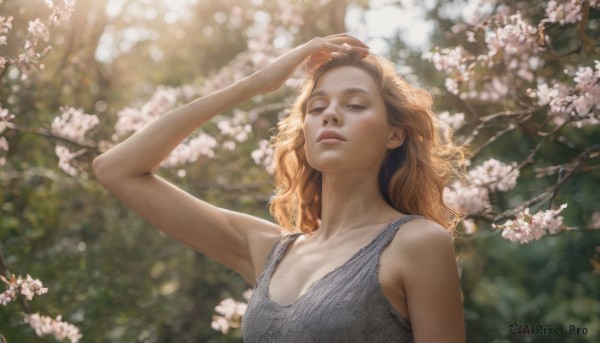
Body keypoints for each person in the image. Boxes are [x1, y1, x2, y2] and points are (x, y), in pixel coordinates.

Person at [93, 33, 466, 342]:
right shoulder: (269, 250)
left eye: (354, 105)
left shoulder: (417, 243)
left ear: (395, 134)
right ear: (304, 133)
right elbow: (115, 170)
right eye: (316, 108)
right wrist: (256, 84)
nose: (331, 114)